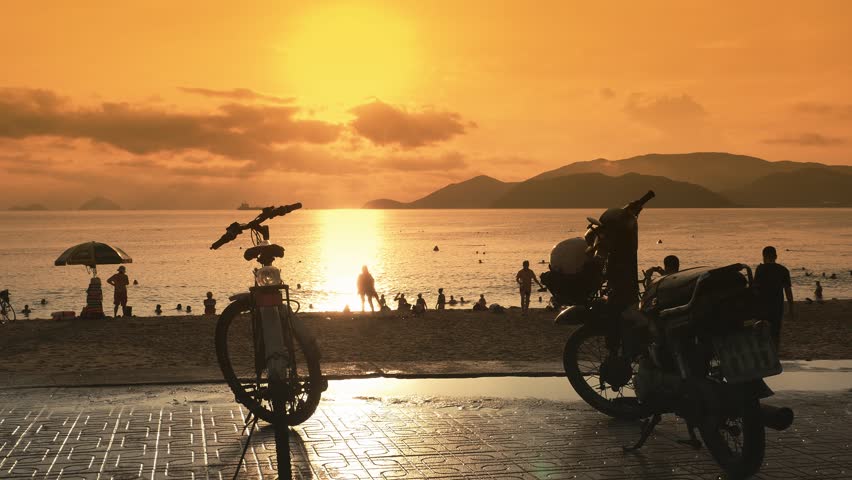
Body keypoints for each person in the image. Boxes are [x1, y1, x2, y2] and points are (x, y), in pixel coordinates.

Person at [753, 246, 794, 347]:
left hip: (762, 305)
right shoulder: (783, 270)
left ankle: (764, 351)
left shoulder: (760, 269)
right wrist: (791, 307)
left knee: (761, 329)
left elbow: (755, 289)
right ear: (776, 256)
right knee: (775, 332)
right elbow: (788, 290)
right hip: (777, 305)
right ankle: (775, 353)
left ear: (763, 256)